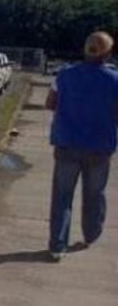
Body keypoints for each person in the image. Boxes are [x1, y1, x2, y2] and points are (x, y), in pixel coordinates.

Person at [45, 31, 118, 261]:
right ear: (107, 54)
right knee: (95, 194)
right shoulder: (115, 80)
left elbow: (50, 103)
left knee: (62, 195)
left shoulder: (64, 75)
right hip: (99, 146)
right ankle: (91, 233)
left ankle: (57, 245)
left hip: (67, 143)